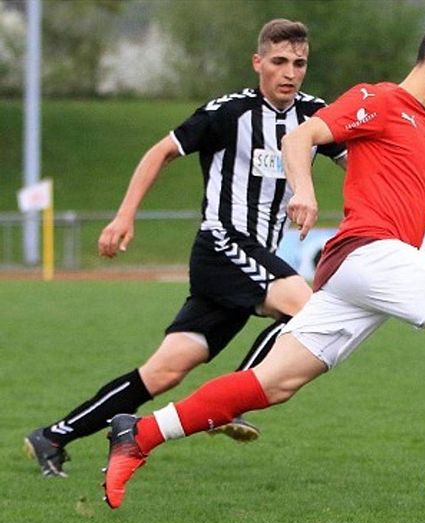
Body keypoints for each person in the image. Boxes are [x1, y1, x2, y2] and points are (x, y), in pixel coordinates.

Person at [102, 18, 425, 510]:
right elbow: (299, 138)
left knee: (272, 383)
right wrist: (303, 189)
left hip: (361, 273)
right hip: (370, 253)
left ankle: (139, 434)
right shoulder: (378, 99)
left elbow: (420, 204)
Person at [23, 19, 346, 478]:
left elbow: (362, 162)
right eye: (279, 62)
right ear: (258, 63)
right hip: (223, 244)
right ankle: (234, 401)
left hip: (247, 265)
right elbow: (161, 151)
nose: (290, 72)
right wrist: (124, 215)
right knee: (307, 309)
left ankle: (53, 436)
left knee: (163, 372)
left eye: (299, 63)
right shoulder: (228, 112)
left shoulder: (315, 117)